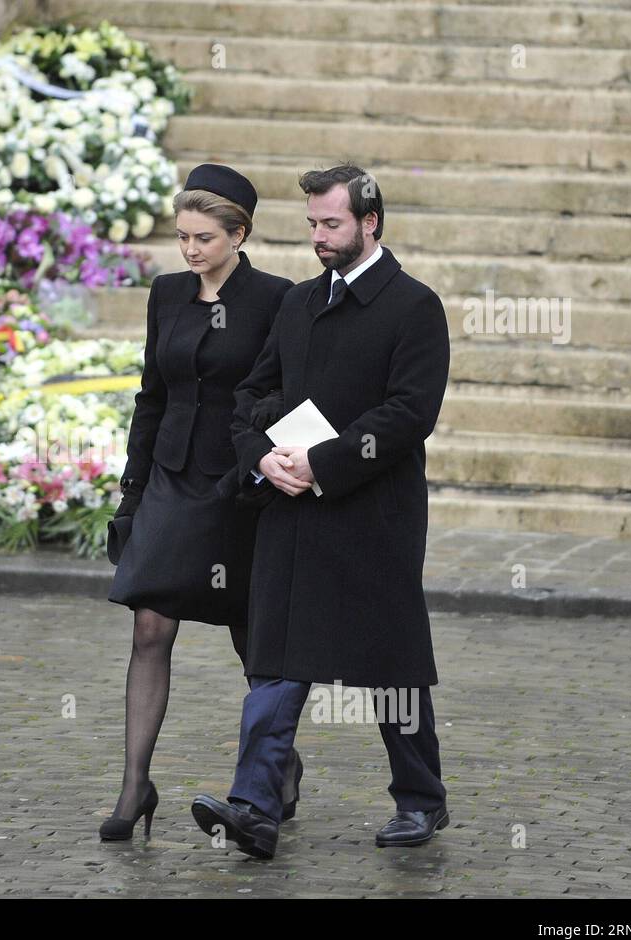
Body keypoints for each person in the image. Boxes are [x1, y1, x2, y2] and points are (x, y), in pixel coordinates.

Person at [190, 162, 453, 859]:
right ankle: (254, 807)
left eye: (331, 223)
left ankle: (422, 801)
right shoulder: (299, 303)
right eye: (311, 224)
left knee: (391, 664)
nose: (318, 236)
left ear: (370, 222)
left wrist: (323, 464)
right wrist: (262, 458)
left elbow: (409, 415)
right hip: (290, 509)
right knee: (277, 662)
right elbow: (252, 395)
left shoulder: (414, 306)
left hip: (374, 516)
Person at [101, 163, 298, 841]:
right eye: (183, 237)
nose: (190, 250)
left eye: (204, 238)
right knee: (150, 625)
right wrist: (131, 492)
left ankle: (277, 765)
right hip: (169, 480)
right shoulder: (167, 295)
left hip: (239, 484)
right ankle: (134, 786)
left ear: (239, 234)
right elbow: (151, 395)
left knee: (251, 636)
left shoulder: (277, 298)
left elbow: (287, 394)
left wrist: (270, 467)